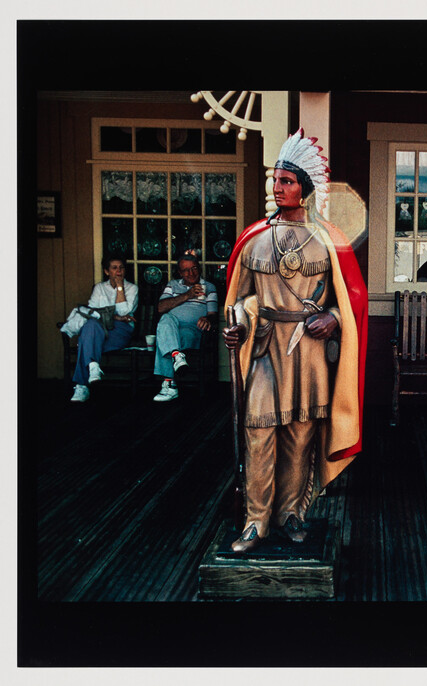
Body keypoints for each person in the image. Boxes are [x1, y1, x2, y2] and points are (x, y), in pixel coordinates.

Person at [223, 128, 367, 552]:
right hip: (267, 349)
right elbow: (241, 297)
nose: (277, 187)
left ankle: (291, 514)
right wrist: (238, 322)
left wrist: (335, 318)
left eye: (286, 181)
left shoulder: (330, 241)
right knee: (259, 432)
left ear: (303, 188)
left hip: (309, 351)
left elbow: (351, 301)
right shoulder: (254, 239)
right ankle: (254, 520)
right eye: (275, 180)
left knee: (301, 438)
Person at [69, 255, 139, 402]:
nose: (119, 271)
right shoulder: (99, 288)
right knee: (91, 325)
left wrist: (120, 288)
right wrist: (114, 316)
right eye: (114, 268)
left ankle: (82, 384)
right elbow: (92, 312)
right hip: (98, 327)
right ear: (107, 272)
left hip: (121, 330)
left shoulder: (132, 289)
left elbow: (123, 312)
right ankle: (93, 367)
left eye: (121, 268)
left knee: (85, 341)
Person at [152, 253, 218, 401]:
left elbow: (213, 313)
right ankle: (177, 356)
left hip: (192, 330)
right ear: (180, 273)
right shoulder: (172, 285)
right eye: (186, 270)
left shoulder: (209, 287)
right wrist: (187, 295)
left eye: (194, 268)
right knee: (165, 319)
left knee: (165, 339)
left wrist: (208, 318)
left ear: (199, 268)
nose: (191, 273)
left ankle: (169, 384)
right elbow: (161, 307)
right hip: (172, 325)